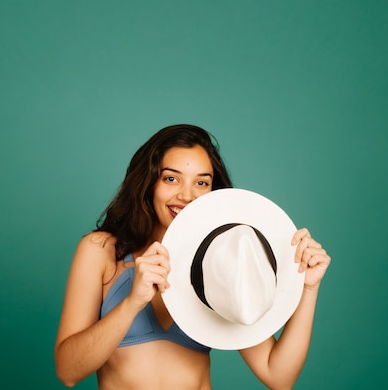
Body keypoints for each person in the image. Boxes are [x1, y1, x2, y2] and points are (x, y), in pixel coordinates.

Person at [54, 124, 331, 390]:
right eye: (171, 178)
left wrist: (308, 287)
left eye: (202, 182)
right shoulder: (101, 250)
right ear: (148, 183)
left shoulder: (220, 264)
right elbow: (68, 371)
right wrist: (132, 303)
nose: (187, 195)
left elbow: (278, 376)